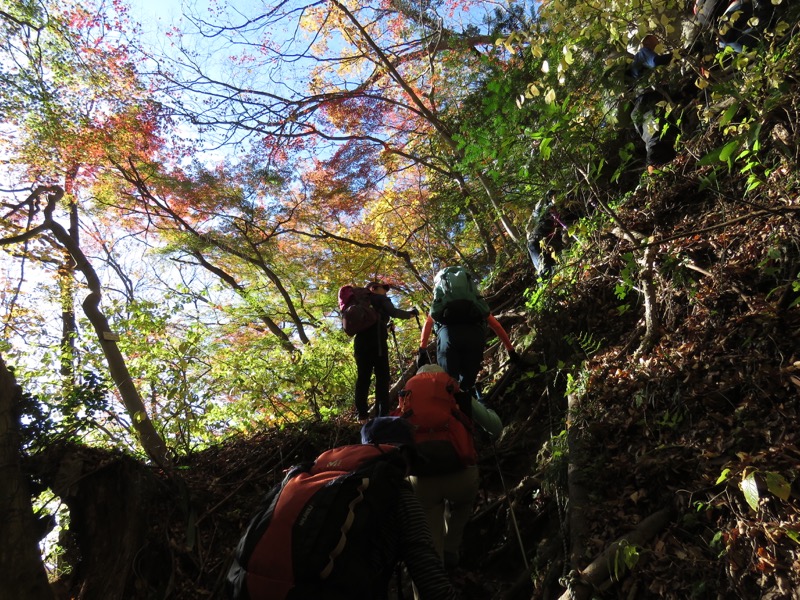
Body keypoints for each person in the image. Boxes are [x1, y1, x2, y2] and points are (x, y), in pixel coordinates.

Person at [229, 417, 459, 600]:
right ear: (404, 454)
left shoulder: (307, 475)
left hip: (246, 588)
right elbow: (428, 572)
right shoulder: (391, 487)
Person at [417, 293, 519, 395]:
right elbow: (496, 325)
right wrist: (511, 350)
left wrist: (422, 351)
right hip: (475, 336)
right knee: (467, 382)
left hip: (447, 337)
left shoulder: (440, 303)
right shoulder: (474, 300)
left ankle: (455, 402)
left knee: (448, 383)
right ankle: (470, 397)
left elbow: (428, 324)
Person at [354, 280, 418, 422]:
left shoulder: (360, 304)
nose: (386, 291)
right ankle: (382, 415)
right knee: (382, 378)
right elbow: (393, 312)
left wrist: (385, 328)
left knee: (363, 378)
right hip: (377, 346)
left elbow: (370, 325)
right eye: (384, 288)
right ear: (374, 288)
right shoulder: (379, 298)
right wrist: (411, 314)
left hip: (360, 344)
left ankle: (362, 415)